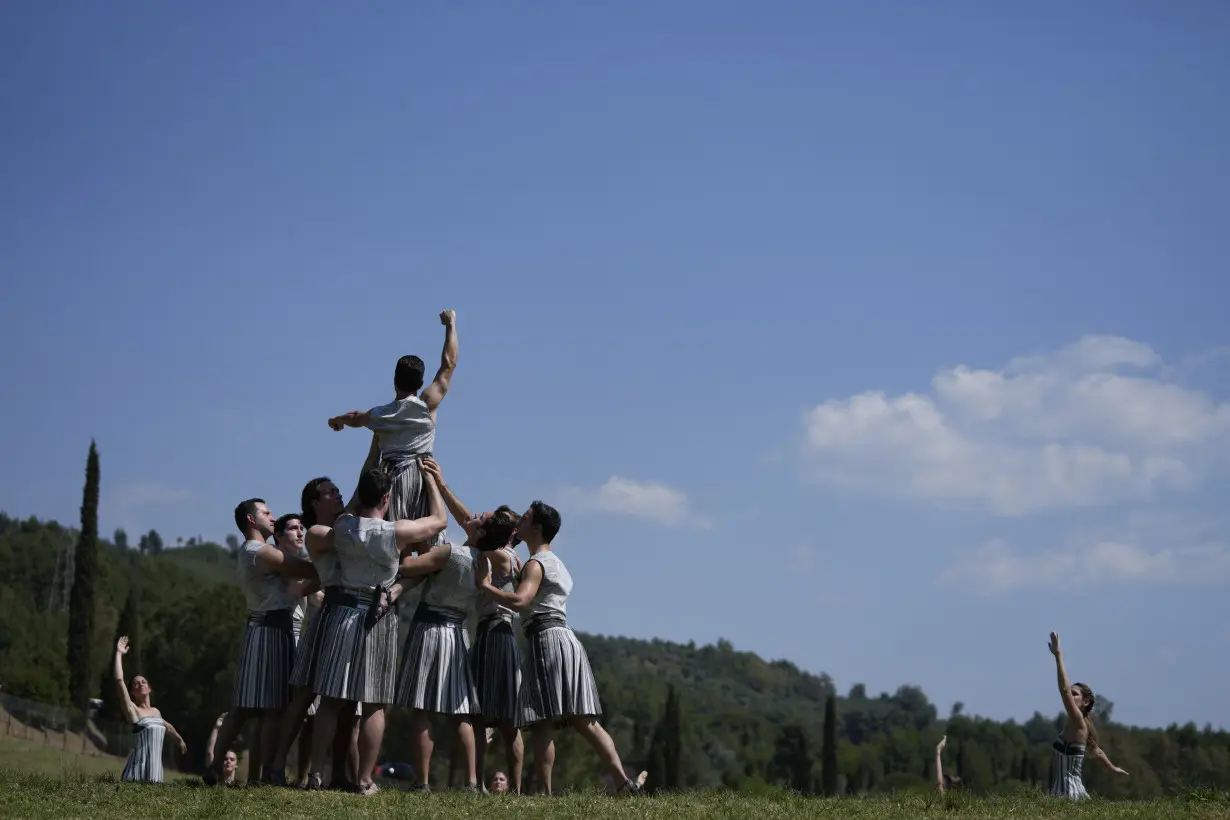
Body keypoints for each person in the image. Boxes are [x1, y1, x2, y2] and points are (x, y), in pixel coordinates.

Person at [480, 501, 646, 796]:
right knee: (586, 720)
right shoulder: (554, 563)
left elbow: (519, 601)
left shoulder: (534, 564)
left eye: (527, 517)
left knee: (542, 721)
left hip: (546, 640)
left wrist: (486, 587)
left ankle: (545, 792)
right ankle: (623, 782)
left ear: (537, 528)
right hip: (566, 639)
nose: (522, 520)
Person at [305, 464, 448, 796]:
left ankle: (314, 774)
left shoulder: (342, 528)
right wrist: (432, 482)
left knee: (330, 700)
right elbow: (439, 522)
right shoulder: (396, 532)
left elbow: (323, 532)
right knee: (374, 703)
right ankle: (365, 780)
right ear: (387, 497)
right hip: (378, 614)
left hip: (341, 611)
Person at [422, 460, 525, 793]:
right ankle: (482, 783)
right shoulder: (501, 554)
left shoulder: (502, 556)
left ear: (508, 532)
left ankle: (507, 787)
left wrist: (441, 483)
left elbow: (470, 524)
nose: (487, 519)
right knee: (494, 718)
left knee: (501, 720)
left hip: (497, 633)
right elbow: (472, 525)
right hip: (488, 633)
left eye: (497, 520)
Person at [204, 499, 318, 786]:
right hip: (273, 630)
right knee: (272, 708)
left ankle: (215, 767)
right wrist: (332, 561)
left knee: (242, 706)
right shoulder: (260, 551)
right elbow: (301, 569)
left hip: (257, 627)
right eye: (266, 513)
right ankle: (267, 774)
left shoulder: (250, 552)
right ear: (251, 520)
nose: (273, 516)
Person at [327, 309, 458, 554]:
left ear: (394, 379)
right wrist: (450, 324)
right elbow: (449, 364)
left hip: (388, 479)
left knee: (396, 543)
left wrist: (338, 420)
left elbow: (356, 417)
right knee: (425, 541)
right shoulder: (426, 404)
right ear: (420, 384)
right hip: (421, 475)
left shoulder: (380, 415)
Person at [1047, 632, 1129, 799]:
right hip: (1060, 797)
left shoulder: (1079, 723)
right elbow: (1096, 750)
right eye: (1071, 693)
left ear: (1085, 702)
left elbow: (1063, 690)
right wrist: (1112, 767)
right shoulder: (1080, 724)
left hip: (1070, 798)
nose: (1070, 694)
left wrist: (1058, 655)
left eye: (1074, 694)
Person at [273, 513, 322, 786]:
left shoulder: (305, 561)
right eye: (294, 528)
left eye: (302, 528)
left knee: (310, 715)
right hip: (292, 637)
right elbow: (307, 594)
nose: (300, 533)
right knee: (291, 709)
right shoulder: (289, 562)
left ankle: (302, 775)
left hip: (301, 635)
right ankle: (274, 768)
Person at [113, 636, 186, 783]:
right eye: (135, 684)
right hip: (136, 774)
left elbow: (168, 727)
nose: (140, 684)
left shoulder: (156, 712)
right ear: (132, 692)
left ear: (149, 688)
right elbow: (119, 680)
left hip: (155, 774)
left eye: (143, 682)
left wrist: (180, 741)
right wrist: (119, 653)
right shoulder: (133, 710)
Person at [204, 713, 239, 786]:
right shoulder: (213, 781)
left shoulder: (239, 786)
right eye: (225, 759)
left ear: (236, 765)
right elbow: (210, 752)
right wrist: (216, 728)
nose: (228, 761)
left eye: (232, 759)